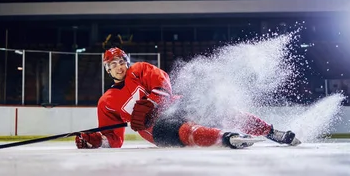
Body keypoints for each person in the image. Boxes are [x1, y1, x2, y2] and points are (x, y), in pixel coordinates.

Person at [75, 47, 301, 149]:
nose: (118, 67)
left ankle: (271, 132)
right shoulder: (106, 102)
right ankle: (227, 138)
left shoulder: (140, 70)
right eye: (112, 65)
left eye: (121, 61)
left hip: (175, 106)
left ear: (127, 61)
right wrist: (96, 141)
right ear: (107, 70)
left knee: (219, 110)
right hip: (157, 129)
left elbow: (163, 82)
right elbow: (114, 140)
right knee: (183, 130)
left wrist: (152, 103)